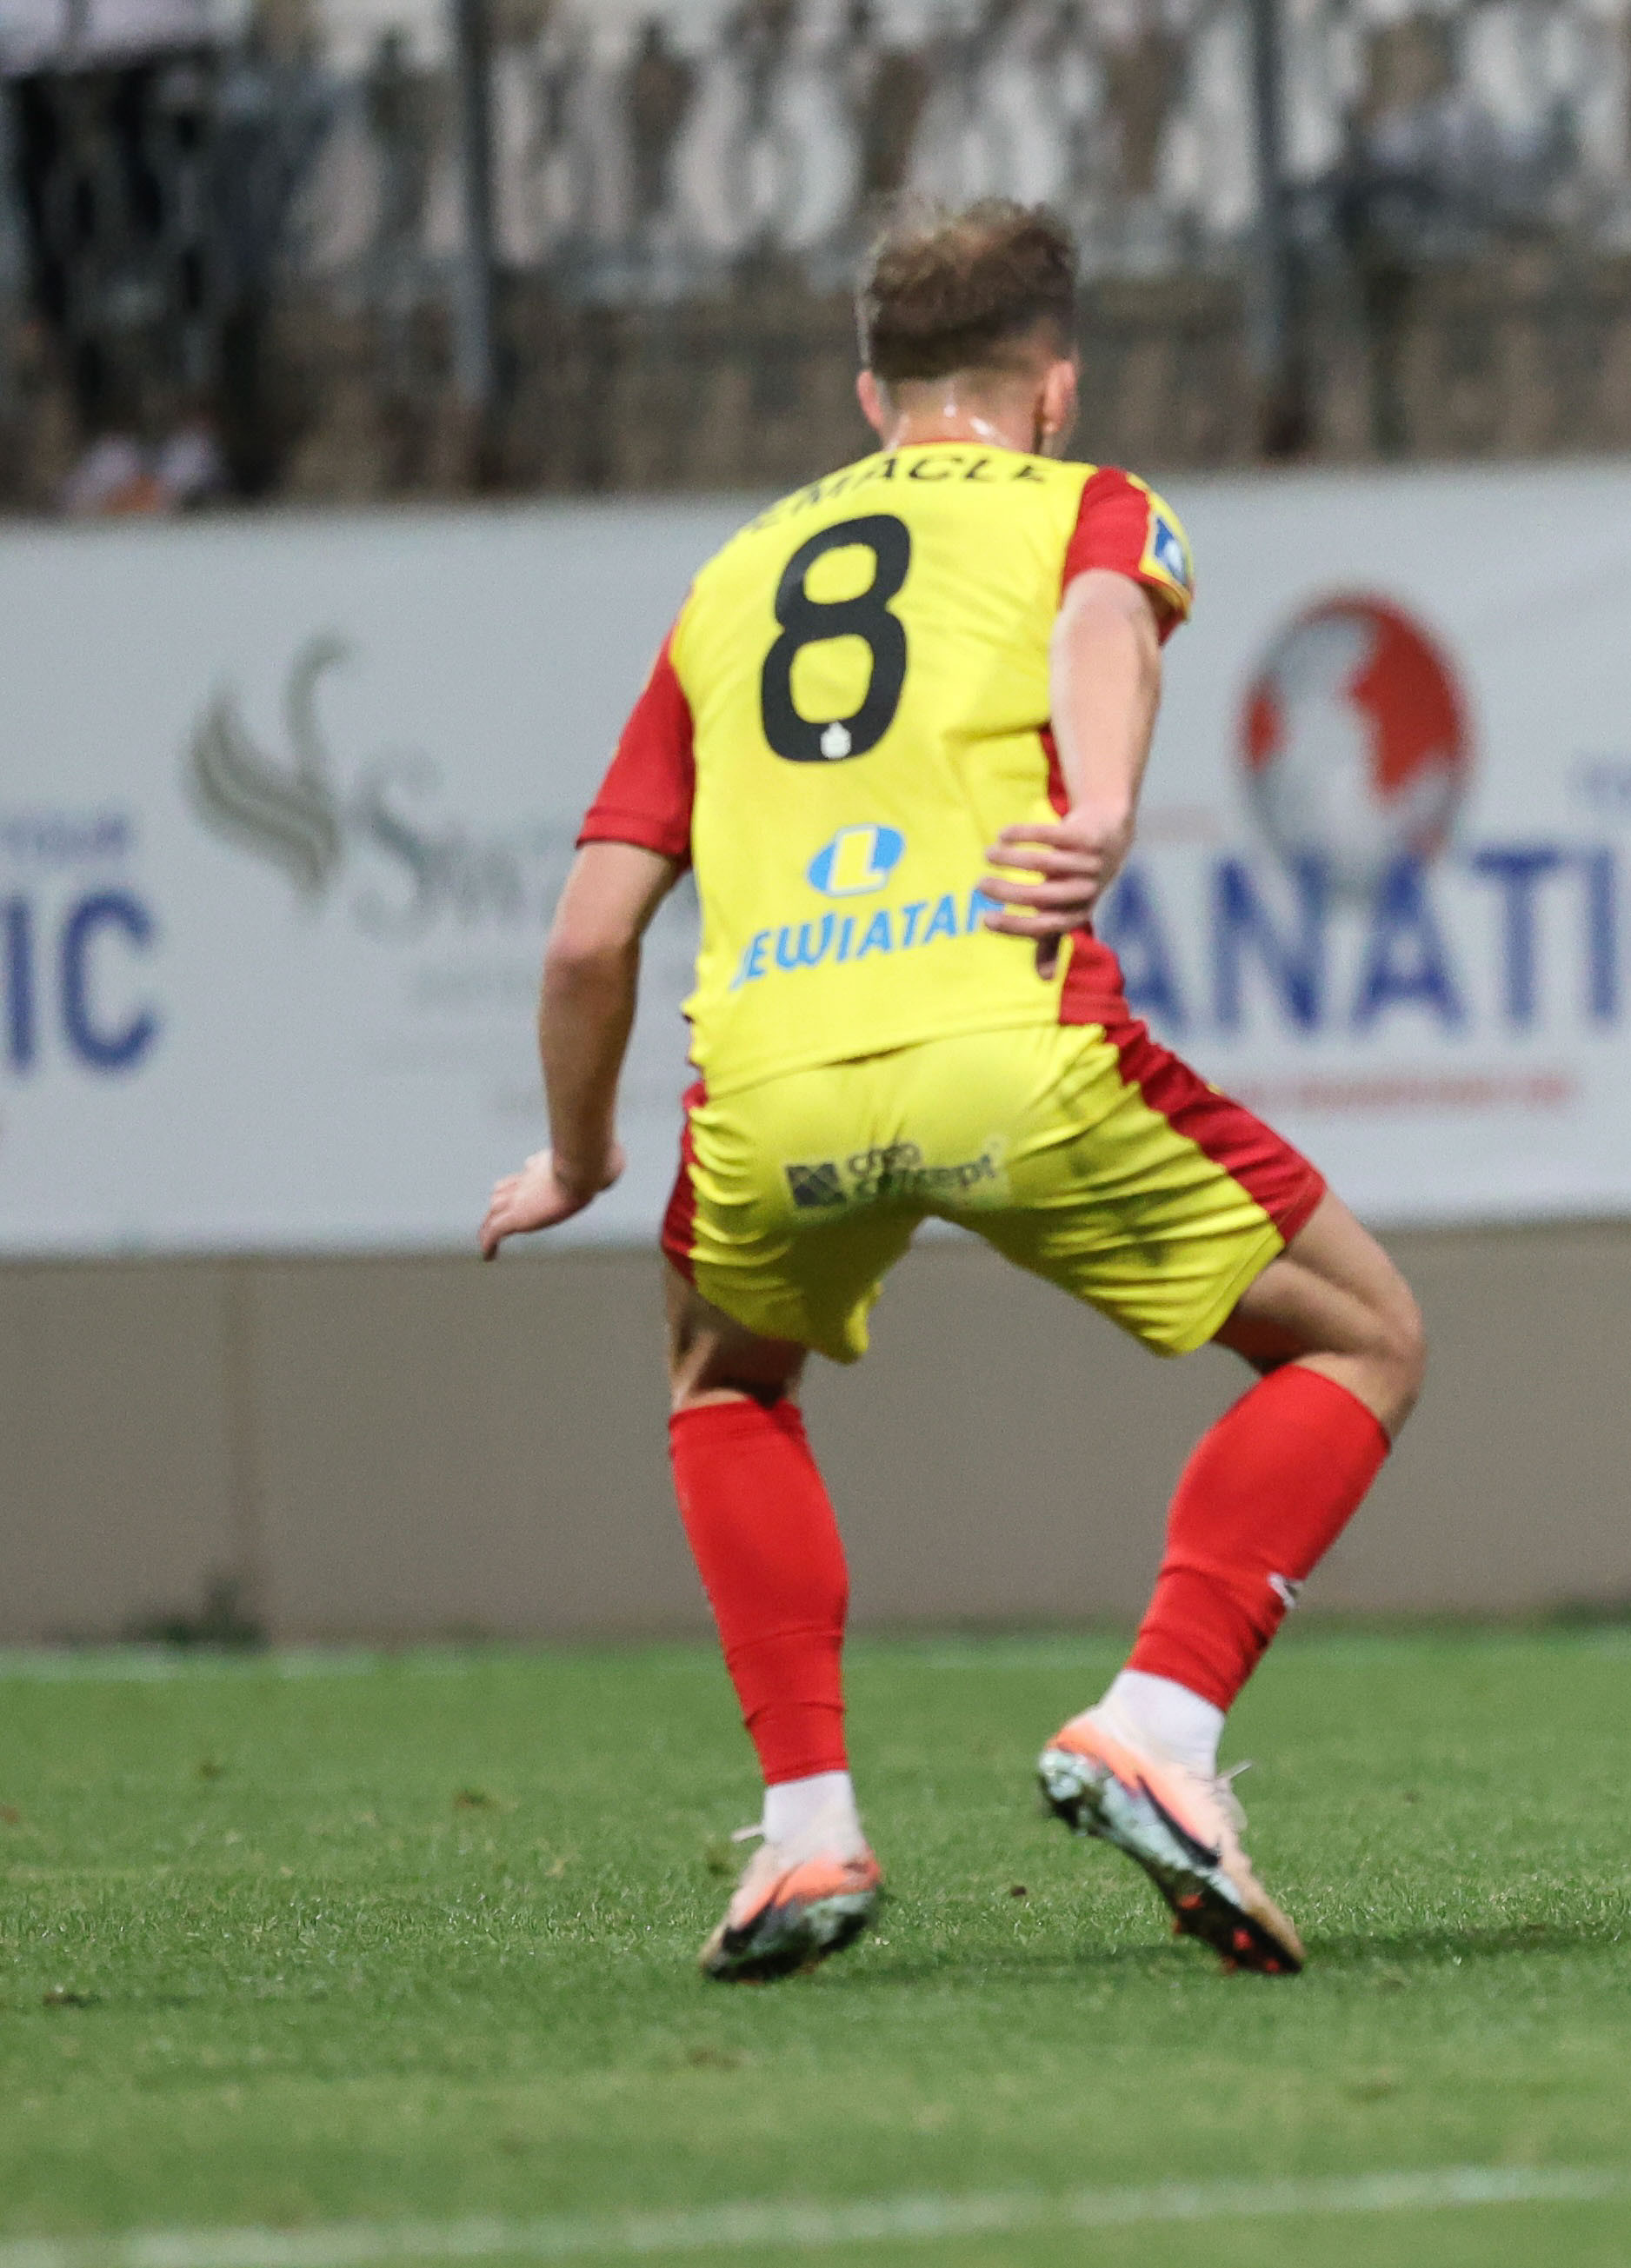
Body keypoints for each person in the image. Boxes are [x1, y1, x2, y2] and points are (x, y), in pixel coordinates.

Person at [479, 201, 1426, 1982]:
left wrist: (580, 1154)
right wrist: (1104, 800)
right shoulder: (1088, 504)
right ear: (1054, 387)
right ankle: (1159, 1719)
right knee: (1362, 1336)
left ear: (870, 393)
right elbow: (1102, 620)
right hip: (1006, 1035)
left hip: (769, 1082)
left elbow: (589, 940)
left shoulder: (729, 581)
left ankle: (805, 1834)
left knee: (723, 1379)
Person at [0, 0, 296, 511]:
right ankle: (106, 436)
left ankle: (198, 431)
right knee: (59, 243)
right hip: (28, 24)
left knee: (174, 229)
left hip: (151, 19)